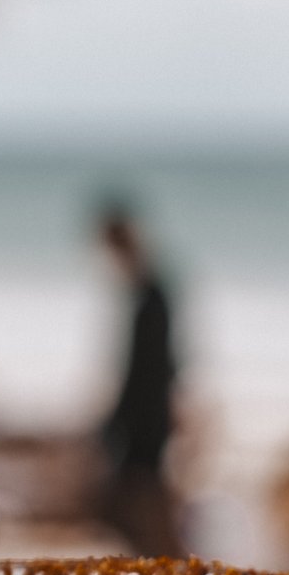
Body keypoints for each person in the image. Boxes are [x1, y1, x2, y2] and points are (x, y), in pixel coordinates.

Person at [94, 196, 184, 554]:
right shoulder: (148, 292)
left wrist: (116, 423)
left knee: (141, 504)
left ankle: (166, 569)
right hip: (146, 415)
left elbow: (146, 370)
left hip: (145, 419)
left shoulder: (150, 296)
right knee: (142, 502)